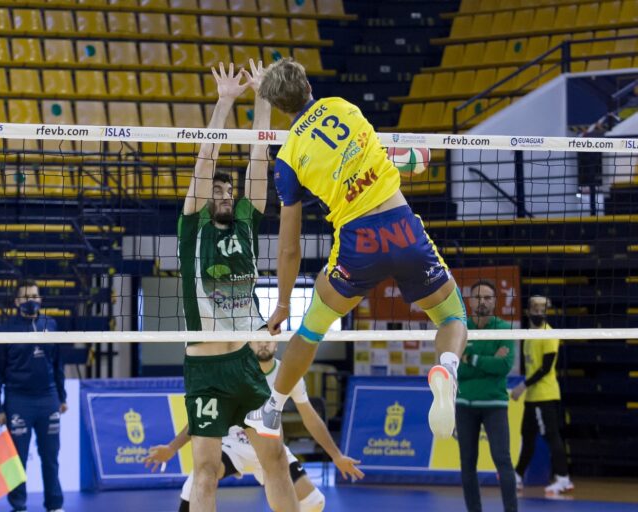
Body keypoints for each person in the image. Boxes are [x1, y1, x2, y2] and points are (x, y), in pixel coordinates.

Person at [245, 58, 467, 441]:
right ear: (308, 85)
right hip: (402, 228)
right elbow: (381, 154)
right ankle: (447, 367)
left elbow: (288, 249)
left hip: (358, 243)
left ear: (278, 107)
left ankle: (273, 408)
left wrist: (282, 303)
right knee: (451, 317)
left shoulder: (286, 160)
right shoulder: (344, 107)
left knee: (311, 330)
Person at [177, 61, 299, 512]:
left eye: (230, 192)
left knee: (276, 462)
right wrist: (225, 102)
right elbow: (205, 159)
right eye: (218, 192)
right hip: (205, 369)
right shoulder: (192, 226)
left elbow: (258, 160)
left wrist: (262, 98)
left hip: (248, 364)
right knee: (206, 473)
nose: (225, 196)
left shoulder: (247, 219)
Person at [145, 341, 364, 512]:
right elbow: (203, 419)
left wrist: (336, 456)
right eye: (257, 341)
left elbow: (310, 417)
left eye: (267, 341)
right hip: (233, 448)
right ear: (247, 344)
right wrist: (172, 448)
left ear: (276, 344)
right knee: (198, 479)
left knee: (315, 502)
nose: (263, 344)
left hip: (270, 449)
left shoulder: (287, 374)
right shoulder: (233, 372)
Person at [0, 279, 67, 512]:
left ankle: (55, 506)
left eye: (35, 296)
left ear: (41, 299)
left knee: (51, 458)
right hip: (18, 401)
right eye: (26, 297)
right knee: (16, 461)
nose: (31, 300)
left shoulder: (50, 325)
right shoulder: (5, 331)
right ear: (16, 301)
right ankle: (19, 506)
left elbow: (58, 365)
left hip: (48, 399)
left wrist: (62, 397)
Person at [457, 280, 517, 512]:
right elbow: (456, 369)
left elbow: (503, 366)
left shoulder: (503, 328)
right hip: (464, 404)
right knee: (467, 464)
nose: (482, 301)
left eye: (488, 297)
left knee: (503, 460)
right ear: (470, 300)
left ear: (495, 301)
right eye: (478, 296)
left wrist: (470, 358)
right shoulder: (460, 328)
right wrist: (487, 361)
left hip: (494, 404)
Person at [511, 295, 574, 497]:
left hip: (545, 395)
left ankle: (563, 479)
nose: (539, 313)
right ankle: (518, 476)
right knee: (527, 436)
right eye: (535, 310)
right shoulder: (529, 335)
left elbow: (545, 368)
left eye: (542, 310)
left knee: (551, 435)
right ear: (528, 311)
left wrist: (522, 385)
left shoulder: (549, 334)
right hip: (532, 397)